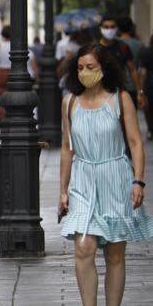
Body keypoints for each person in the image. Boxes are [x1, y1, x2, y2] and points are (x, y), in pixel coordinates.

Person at [59, 43, 153, 306]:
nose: (85, 72)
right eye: (80, 67)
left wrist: (138, 180)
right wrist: (63, 190)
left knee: (114, 254)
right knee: (83, 248)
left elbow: (135, 143)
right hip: (83, 178)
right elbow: (67, 149)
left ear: (104, 69)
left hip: (116, 177)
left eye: (90, 67)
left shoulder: (120, 99)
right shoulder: (69, 103)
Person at [98, 15, 143, 108]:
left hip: (120, 92)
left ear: (117, 29)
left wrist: (139, 92)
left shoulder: (123, 47)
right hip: (99, 93)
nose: (109, 30)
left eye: (112, 27)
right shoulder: (95, 49)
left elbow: (133, 70)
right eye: (106, 27)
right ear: (101, 28)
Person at [140, 34, 153, 140]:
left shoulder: (146, 52)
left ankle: (150, 129)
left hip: (150, 84)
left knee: (148, 108)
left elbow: (143, 72)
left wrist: (141, 88)